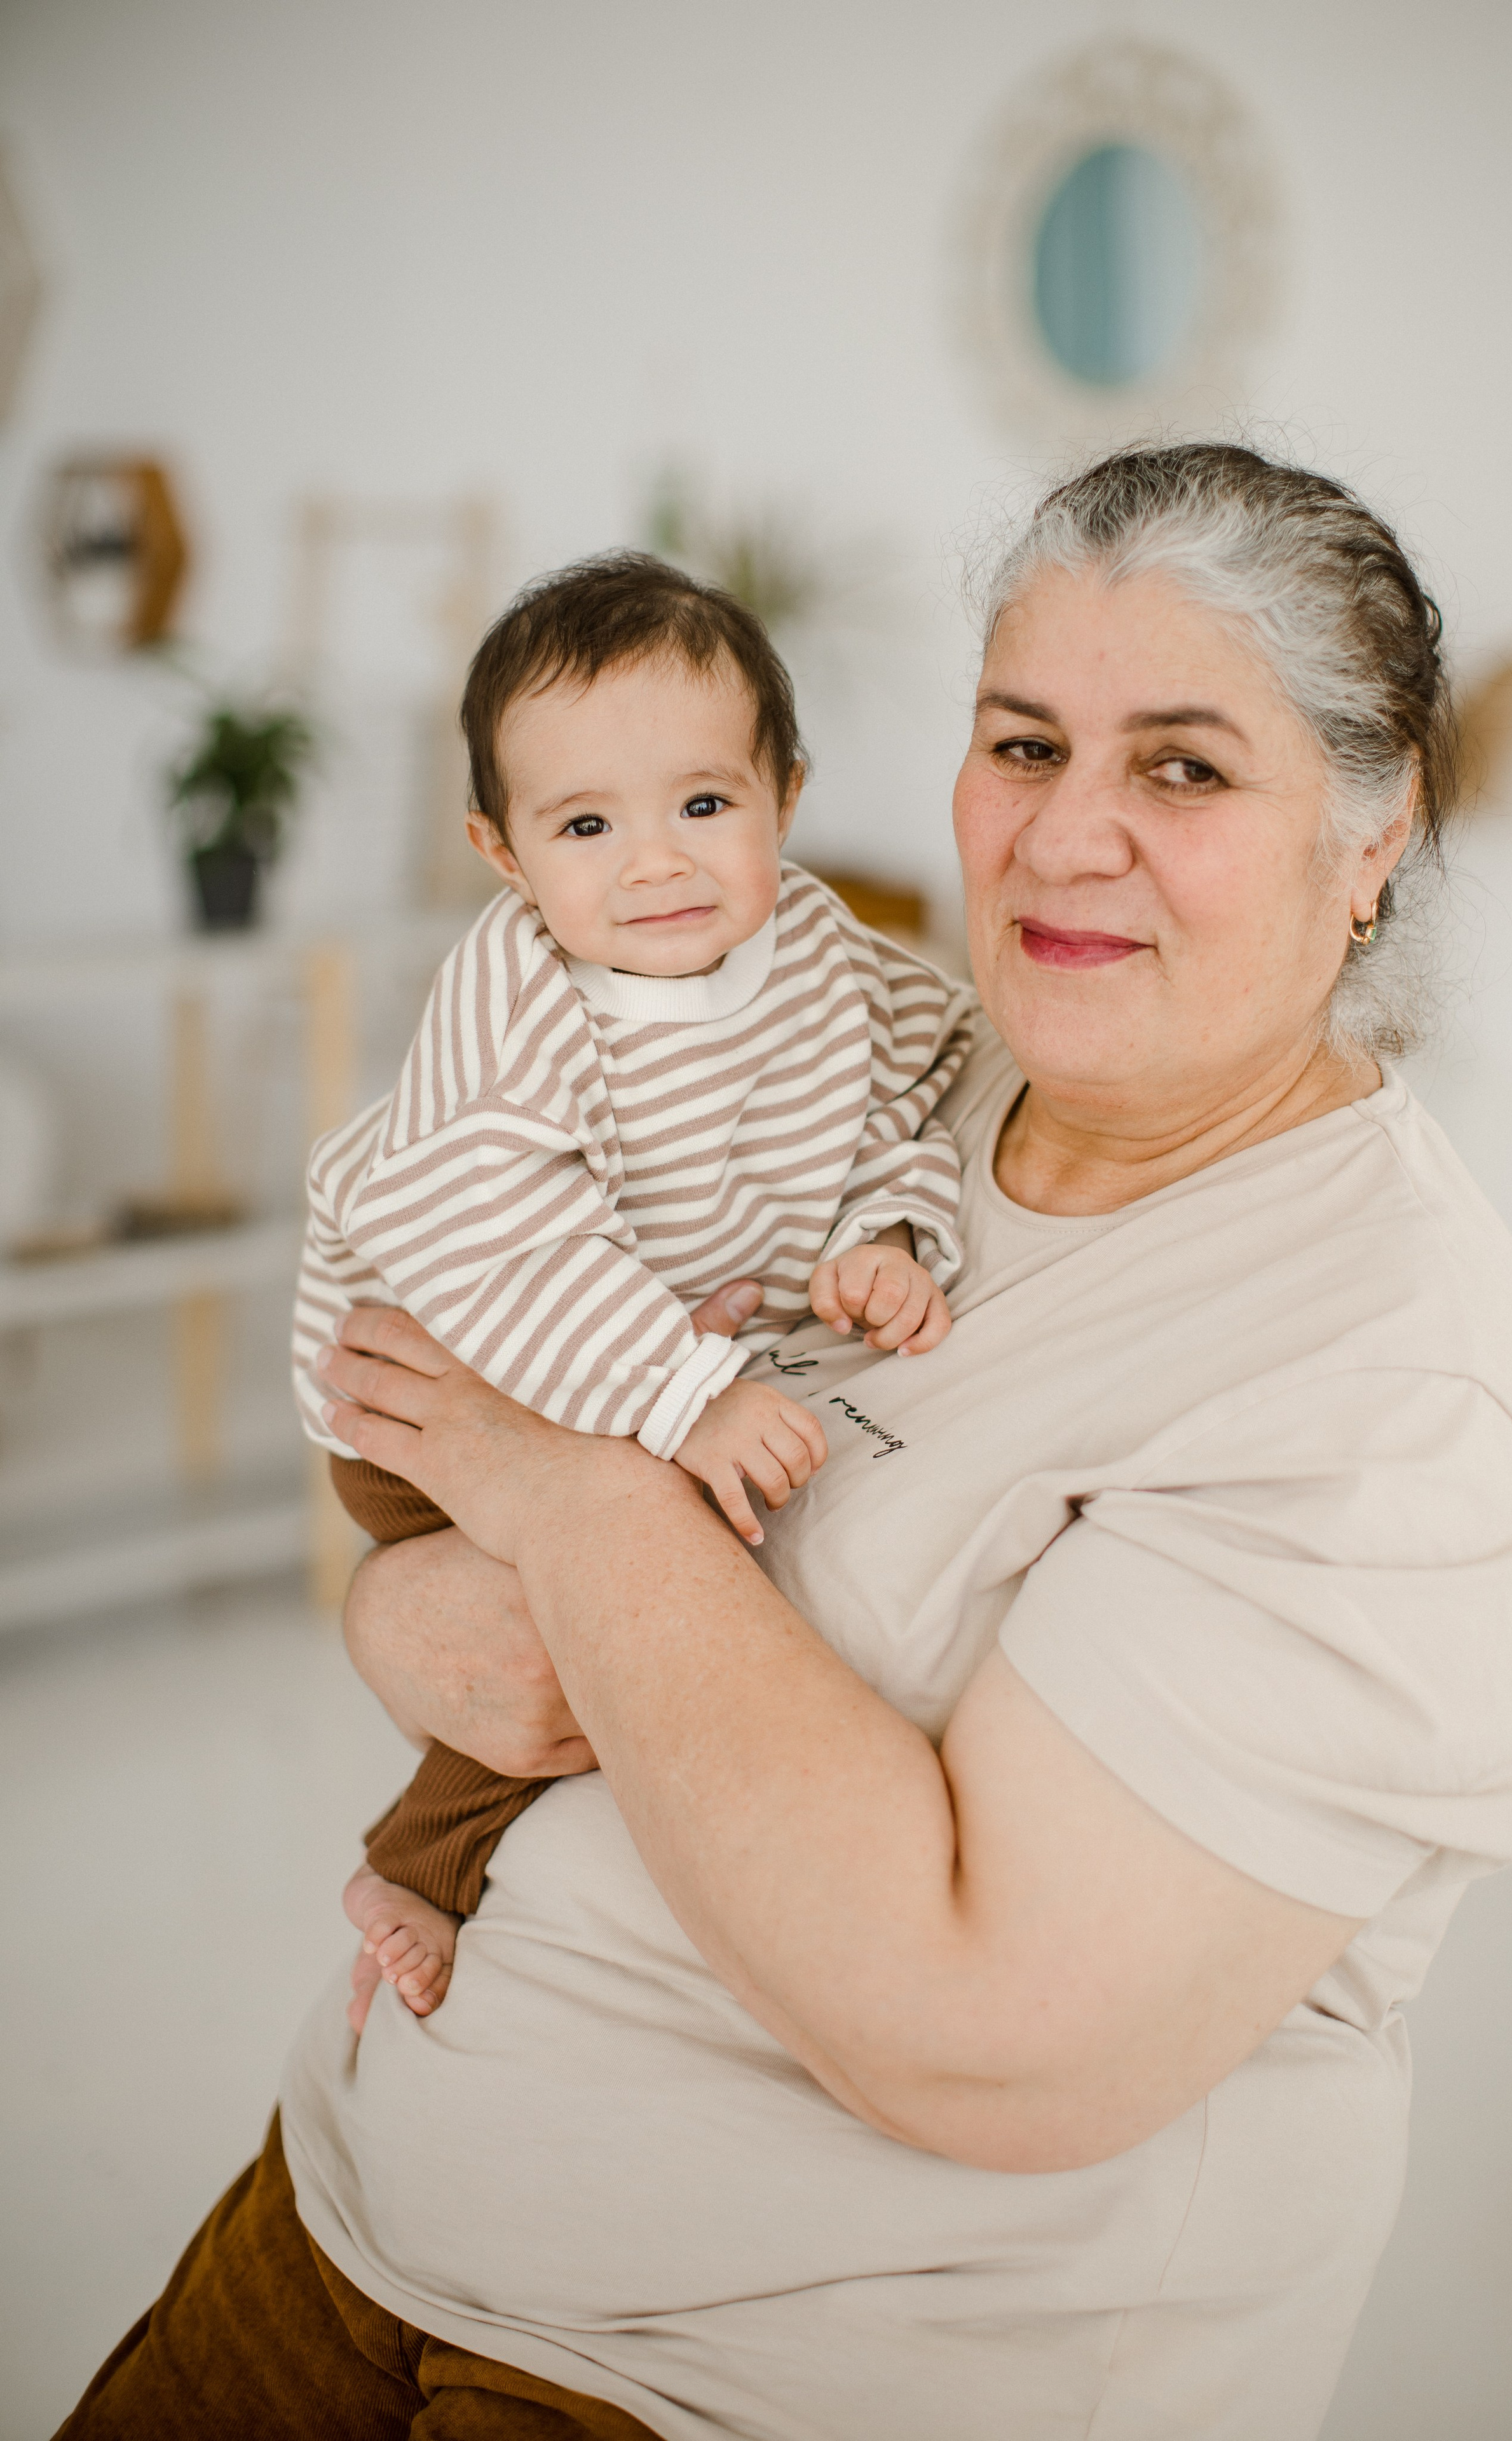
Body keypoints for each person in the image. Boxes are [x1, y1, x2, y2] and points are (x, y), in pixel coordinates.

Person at [58, 444, 1512, 2441]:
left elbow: (985, 2034)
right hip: (344, 2217)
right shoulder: (896, 1067)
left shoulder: (1393, 1389)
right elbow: (446, 1521)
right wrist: (419, 1605)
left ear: (1373, 832)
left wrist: (576, 1504)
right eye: (1024, 742)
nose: (1067, 838)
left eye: (1188, 769)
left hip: (732, 2381)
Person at [292, 552, 972, 2015]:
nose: (653, 862)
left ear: (784, 793)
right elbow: (496, 1231)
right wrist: (686, 1395)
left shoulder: (821, 955)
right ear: (502, 849)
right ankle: (418, 1873)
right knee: (567, 1629)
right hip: (446, 1370)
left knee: (632, 1636)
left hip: (643, 1362)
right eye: (585, 823)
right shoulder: (520, 991)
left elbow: (929, 1079)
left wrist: (890, 1232)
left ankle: (534, 1885)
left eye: (703, 805)